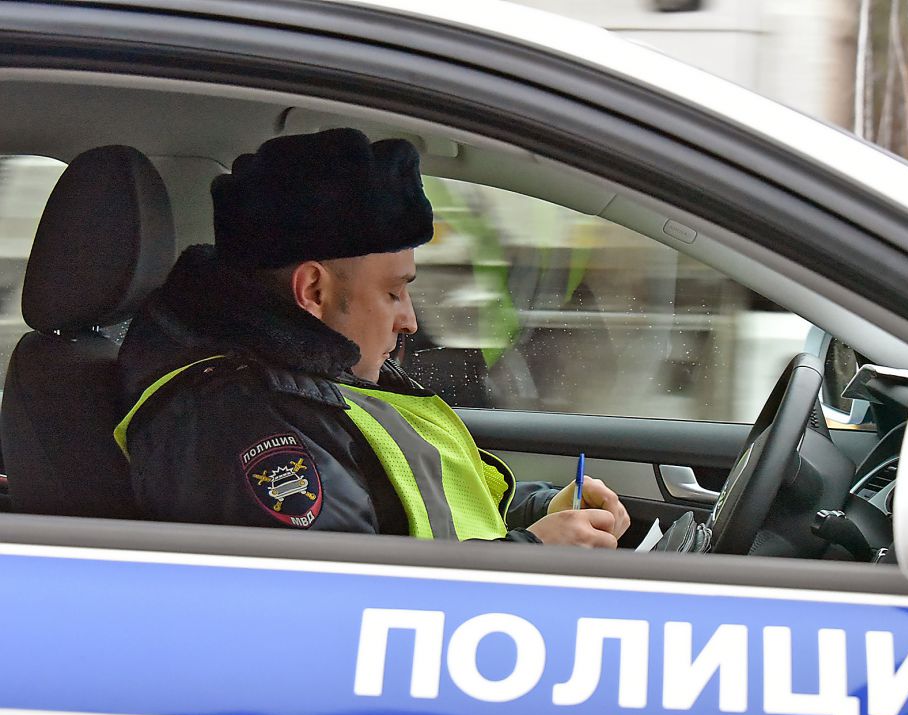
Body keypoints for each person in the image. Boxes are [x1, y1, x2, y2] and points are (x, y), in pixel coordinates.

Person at [115, 128, 628, 547]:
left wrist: (540, 511)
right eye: (392, 293)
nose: (409, 321)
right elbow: (350, 603)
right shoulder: (236, 420)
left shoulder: (316, 375)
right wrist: (533, 553)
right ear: (313, 290)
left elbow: (415, 503)